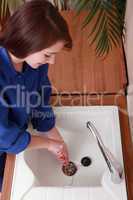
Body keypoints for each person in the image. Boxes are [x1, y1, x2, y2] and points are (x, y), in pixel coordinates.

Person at [0, 0, 72, 196]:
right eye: (48, 54)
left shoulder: (36, 64)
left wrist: (56, 138)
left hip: (14, 144)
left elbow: (40, 99)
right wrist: (48, 144)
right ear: (28, 42)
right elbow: (3, 135)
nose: (52, 61)